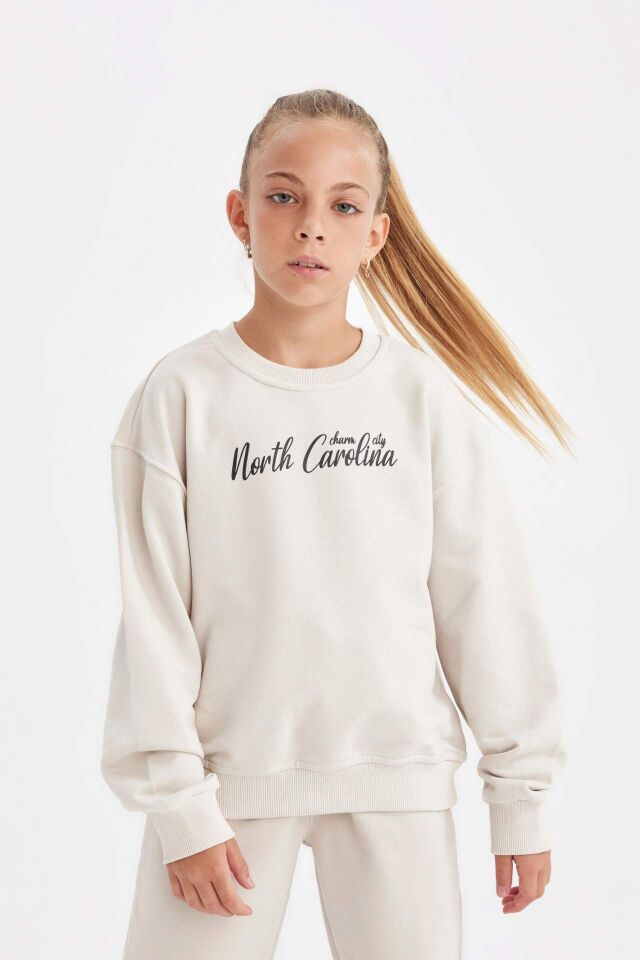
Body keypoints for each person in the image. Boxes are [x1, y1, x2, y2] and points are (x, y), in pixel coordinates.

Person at [100, 88, 570, 959]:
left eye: (343, 206)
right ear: (241, 214)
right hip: (227, 792)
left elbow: (484, 601)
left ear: (376, 234)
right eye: (284, 196)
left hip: (398, 781)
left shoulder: (421, 400)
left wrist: (521, 797)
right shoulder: (182, 396)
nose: (311, 225)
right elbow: (155, 618)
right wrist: (180, 808)